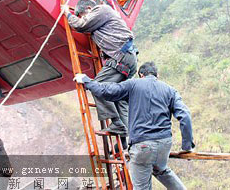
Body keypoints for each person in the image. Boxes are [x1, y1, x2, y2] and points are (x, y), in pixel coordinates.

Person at [74, 61, 194, 190]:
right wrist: (187, 146)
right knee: (161, 170)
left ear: (141, 74)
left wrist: (87, 81)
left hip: (143, 145)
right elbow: (185, 115)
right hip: (164, 144)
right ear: (157, 75)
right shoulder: (170, 90)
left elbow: (107, 91)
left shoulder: (133, 84)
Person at [61, 0, 137, 138]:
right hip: (127, 58)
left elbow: (81, 25)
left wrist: (67, 13)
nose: (85, 18)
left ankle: (117, 123)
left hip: (121, 58)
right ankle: (127, 135)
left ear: (89, 8)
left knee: (98, 86)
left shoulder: (101, 10)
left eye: (84, 15)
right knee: (118, 96)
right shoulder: (104, 19)